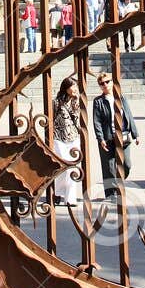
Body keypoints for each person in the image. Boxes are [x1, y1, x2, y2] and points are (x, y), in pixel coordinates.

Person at [92, 70, 138, 200]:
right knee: (109, 168)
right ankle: (111, 194)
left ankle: (119, 183)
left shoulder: (120, 97)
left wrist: (135, 134)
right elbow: (97, 121)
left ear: (112, 82)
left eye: (107, 82)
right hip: (108, 137)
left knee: (127, 164)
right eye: (102, 83)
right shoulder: (98, 101)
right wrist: (100, 138)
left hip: (124, 136)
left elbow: (129, 115)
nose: (105, 85)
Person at [52, 76, 82, 206]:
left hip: (73, 137)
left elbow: (79, 120)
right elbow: (50, 118)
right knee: (62, 167)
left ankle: (70, 198)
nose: (75, 89)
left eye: (76, 86)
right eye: (72, 86)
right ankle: (58, 192)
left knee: (73, 167)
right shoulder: (57, 102)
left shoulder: (78, 101)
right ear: (66, 88)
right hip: (59, 137)